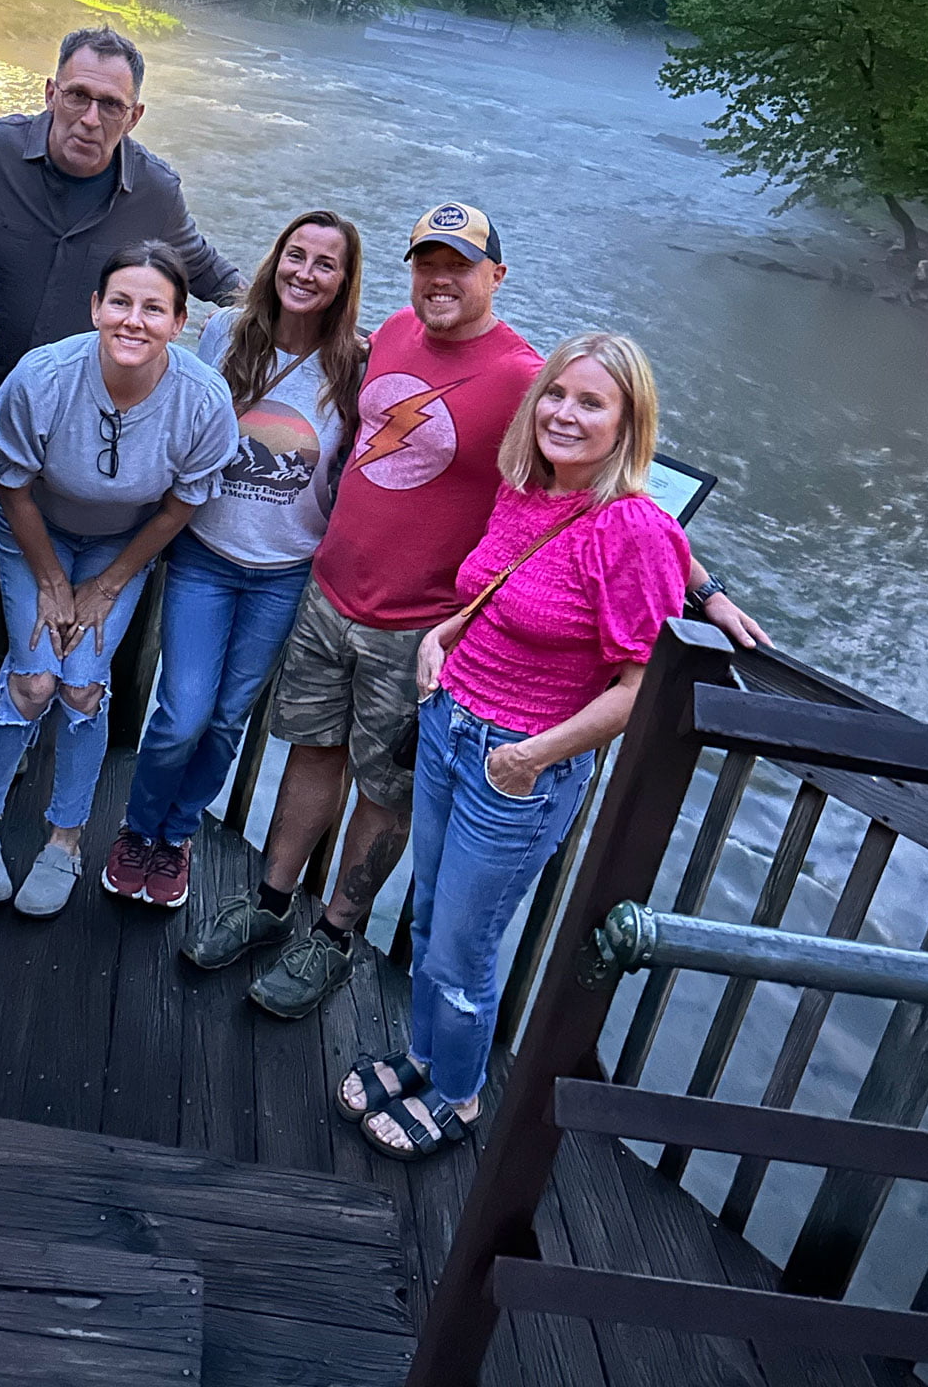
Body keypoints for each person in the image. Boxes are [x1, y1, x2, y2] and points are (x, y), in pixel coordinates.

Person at [184, 200, 763, 1021]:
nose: (441, 279)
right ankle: (272, 902)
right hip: (329, 593)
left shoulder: (528, 379)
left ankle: (336, 934)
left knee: (386, 791)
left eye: (460, 265)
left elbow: (616, 493)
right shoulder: (387, 333)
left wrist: (705, 589)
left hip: (419, 629)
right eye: (427, 262)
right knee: (313, 754)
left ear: (497, 276)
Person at [0, 26, 243, 798]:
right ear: (50, 94)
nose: (89, 118)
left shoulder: (156, 193)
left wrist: (305, 326)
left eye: (110, 104)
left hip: (58, 432)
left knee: (19, 580)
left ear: (135, 117)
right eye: (77, 96)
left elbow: (204, 271)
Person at [338, 334, 689, 1159]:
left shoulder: (635, 533)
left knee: (464, 948)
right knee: (428, 921)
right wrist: (442, 636)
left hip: (517, 769)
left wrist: (531, 756)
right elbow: (497, 588)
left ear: (629, 424)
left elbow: (643, 691)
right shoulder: (526, 489)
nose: (565, 414)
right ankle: (424, 1058)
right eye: (557, 396)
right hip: (449, 724)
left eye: (591, 403)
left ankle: (456, 1097)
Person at [0, 241, 238, 919]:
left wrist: (108, 583)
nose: (133, 320)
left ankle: (66, 839)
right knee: (33, 678)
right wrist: (52, 581)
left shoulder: (201, 399)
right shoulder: (43, 376)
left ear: (179, 320)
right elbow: (12, 484)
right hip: (35, 533)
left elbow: (181, 505)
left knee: (81, 686)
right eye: (120, 303)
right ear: (95, 307)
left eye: (153, 308)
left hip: (122, 545)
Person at [103, 211, 365, 911]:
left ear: (344, 280)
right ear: (276, 259)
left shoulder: (354, 365)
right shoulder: (225, 333)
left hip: (285, 572)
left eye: (324, 263)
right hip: (205, 556)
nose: (305, 273)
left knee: (226, 719)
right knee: (183, 712)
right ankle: (138, 829)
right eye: (296, 255)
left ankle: (176, 835)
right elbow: (167, 404)